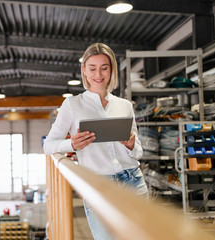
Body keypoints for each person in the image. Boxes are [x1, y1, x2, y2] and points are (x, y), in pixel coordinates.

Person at [43, 43, 148, 240]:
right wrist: (71, 145)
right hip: (99, 186)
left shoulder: (124, 105)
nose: (98, 74)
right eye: (92, 68)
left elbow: (138, 152)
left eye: (104, 67)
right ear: (84, 70)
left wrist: (131, 145)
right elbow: (48, 145)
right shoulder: (72, 105)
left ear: (111, 70)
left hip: (133, 180)